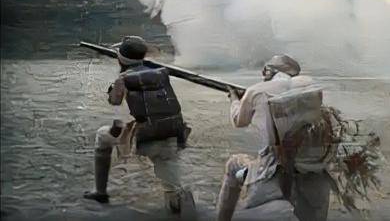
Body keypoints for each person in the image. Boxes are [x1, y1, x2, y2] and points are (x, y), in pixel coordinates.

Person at [83, 36, 196, 216]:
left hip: (146, 136)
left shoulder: (123, 79)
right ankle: (176, 201)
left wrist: (114, 87)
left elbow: (115, 102)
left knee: (102, 136)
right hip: (173, 132)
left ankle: (100, 192)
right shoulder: (161, 73)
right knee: (170, 181)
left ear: (121, 59)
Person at [216, 55, 333, 221]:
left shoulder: (255, 91)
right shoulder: (311, 89)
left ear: (266, 71)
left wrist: (235, 99)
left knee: (233, 164)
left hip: (272, 170)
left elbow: (238, 121)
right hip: (313, 172)